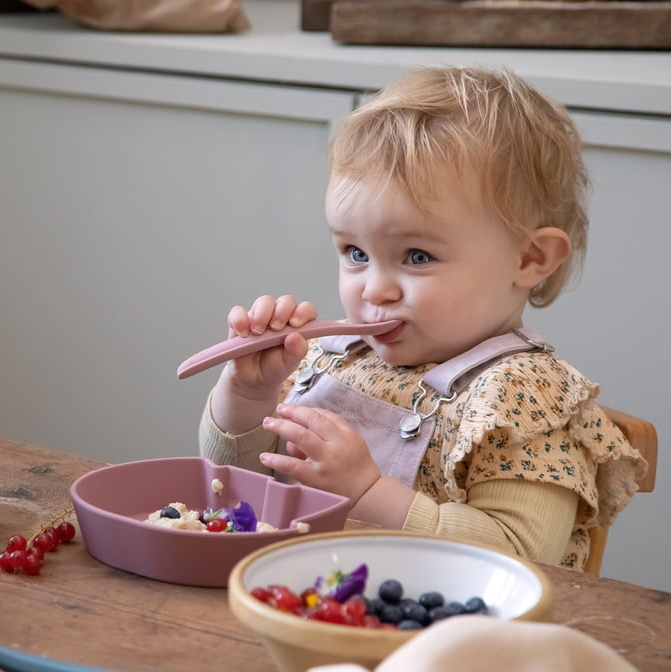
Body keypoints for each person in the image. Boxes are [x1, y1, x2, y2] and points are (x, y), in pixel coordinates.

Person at [199, 66, 646, 570]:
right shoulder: (332, 361)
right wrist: (247, 394)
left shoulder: (526, 401)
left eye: (416, 256)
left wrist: (367, 492)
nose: (374, 289)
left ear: (529, 259)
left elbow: (524, 558)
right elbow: (228, 484)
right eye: (355, 252)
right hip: (298, 596)